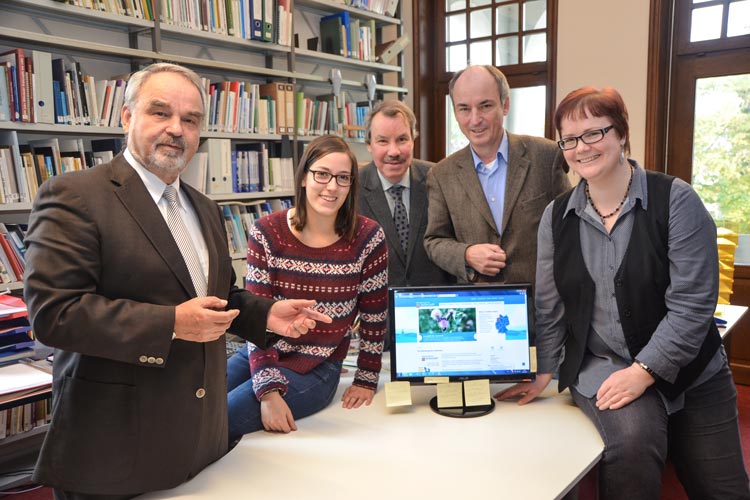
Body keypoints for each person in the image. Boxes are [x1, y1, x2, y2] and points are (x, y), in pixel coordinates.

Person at [23, 63, 330, 500]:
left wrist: (266, 313)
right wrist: (169, 323)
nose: (176, 129)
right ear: (127, 117)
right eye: (160, 113)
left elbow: (215, 295)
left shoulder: (204, 207)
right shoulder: (75, 196)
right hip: (115, 449)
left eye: (190, 120)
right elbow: (54, 314)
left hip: (199, 440)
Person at [497, 86, 750, 499]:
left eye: (594, 133)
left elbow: (692, 306)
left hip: (694, 373)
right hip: (604, 366)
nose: (582, 148)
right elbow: (549, 305)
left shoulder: (676, 200)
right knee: (631, 444)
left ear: (621, 133)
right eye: (570, 139)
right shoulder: (556, 217)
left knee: (723, 491)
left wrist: (644, 370)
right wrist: (544, 368)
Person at [226, 135, 388, 441]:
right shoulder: (266, 232)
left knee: (223, 415)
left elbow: (374, 317)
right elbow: (255, 319)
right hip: (261, 353)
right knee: (194, 401)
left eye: (343, 178)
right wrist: (267, 389)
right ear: (303, 178)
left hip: (318, 368)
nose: (331, 187)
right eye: (322, 174)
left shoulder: (368, 237)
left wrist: (366, 379)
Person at [424, 65, 570, 284]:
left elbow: (569, 227)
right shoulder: (441, 174)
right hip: (479, 305)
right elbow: (434, 241)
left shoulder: (546, 157)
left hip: (542, 306)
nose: (475, 119)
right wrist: (466, 254)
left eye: (485, 106)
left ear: (505, 105)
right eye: (464, 108)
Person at [359, 100, 454, 289]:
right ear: (369, 144)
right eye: (383, 141)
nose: (393, 151)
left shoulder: (440, 178)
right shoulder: (351, 187)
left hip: (433, 304)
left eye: (402, 139)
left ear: (413, 139)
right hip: (376, 309)